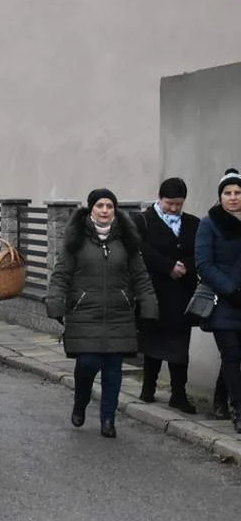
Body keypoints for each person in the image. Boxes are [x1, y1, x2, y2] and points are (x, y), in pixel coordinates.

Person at [47, 189, 157, 438]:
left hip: (119, 314)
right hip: (85, 312)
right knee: (87, 363)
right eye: (100, 206)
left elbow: (140, 277)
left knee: (113, 369)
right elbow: (61, 275)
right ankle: (80, 401)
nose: (105, 210)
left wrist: (149, 304)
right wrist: (55, 301)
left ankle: (108, 419)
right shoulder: (76, 240)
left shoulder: (127, 241)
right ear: (91, 209)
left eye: (109, 206)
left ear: (115, 210)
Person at [133, 177, 199, 414]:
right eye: (169, 203)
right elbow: (140, 248)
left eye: (178, 204)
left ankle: (178, 394)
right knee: (153, 340)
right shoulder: (144, 221)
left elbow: (200, 252)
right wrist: (168, 266)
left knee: (180, 345)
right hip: (154, 291)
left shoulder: (193, 223)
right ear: (160, 199)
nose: (173, 208)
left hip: (182, 293)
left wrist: (185, 266)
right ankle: (148, 386)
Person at [195, 170, 241, 434]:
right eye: (227, 193)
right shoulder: (209, 223)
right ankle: (238, 409)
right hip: (223, 301)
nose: (233, 197)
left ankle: (219, 398)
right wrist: (231, 290)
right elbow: (204, 264)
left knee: (236, 355)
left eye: (237, 192)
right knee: (231, 354)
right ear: (220, 196)